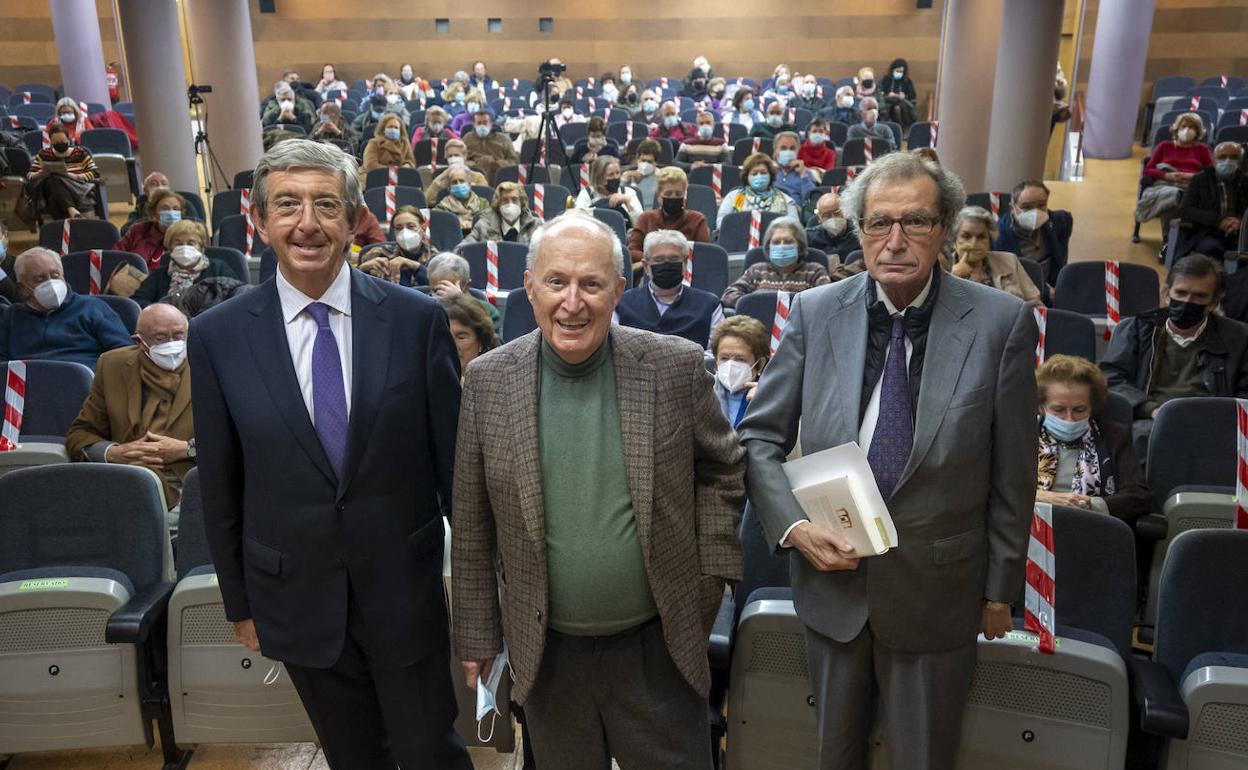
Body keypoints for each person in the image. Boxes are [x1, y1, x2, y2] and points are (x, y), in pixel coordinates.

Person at [739, 151, 1036, 770]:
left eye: (916, 222)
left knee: (924, 757)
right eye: (879, 223)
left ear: (946, 229)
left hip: (940, 590)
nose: (895, 241)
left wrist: (1000, 588)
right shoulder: (817, 314)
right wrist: (793, 527)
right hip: (834, 587)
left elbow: (1012, 470)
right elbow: (759, 439)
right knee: (834, 755)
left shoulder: (1000, 322)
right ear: (858, 229)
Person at [189, 140, 472, 770]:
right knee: (352, 756)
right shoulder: (218, 336)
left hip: (404, 588)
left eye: (325, 204)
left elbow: (455, 472)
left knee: (431, 751)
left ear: (352, 220)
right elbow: (221, 483)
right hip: (294, 595)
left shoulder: (416, 321)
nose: (307, 223)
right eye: (287, 205)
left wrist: (480, 593)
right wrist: (240, 602)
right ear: (259, 222)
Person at [453, 212, 745, 770]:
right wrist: (476, 633)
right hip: (547, 652)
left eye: (590, 284)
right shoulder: (488, 381)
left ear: (618, 290)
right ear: (530, 286)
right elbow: (471, 520)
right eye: (557, 282)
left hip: (659, 647)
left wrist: (710, 578)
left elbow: (724, 470)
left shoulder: (674, 366)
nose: (572, 302)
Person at [1100, 254, 1248, 454]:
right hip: (1149, 419)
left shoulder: (1239, 337)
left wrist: (1218, 417)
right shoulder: (1136, 328)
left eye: (1199, 296)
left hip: (1213, 424)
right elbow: (1111, 378)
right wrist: (1150, 409)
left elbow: (1244, 394)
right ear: (1166, 294)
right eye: (1181, 292)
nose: (1188, 301)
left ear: (1214, 302)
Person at [64, 303, 196, 508]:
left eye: (179, 336)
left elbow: (237, 437)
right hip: (127, 482)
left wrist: (188, 449)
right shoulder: (112, 365)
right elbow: (80, 435)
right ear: (140, 341)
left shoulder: (211, 363)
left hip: (192, 485)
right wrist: (115, 453)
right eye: (160, 338)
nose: (172, 344)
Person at [1034, 355, 1149, 523]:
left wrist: (1086, 505)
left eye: (1079, 410)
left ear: (1092, 406)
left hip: (1092, 529)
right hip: (1029, 532)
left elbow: (1138, 496)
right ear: (1041, 407)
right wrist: (1039, 498)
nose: (1069, 419)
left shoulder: (1113, 436)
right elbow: (999, 490)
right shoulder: (1021, 435)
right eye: (1058, 409)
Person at [0, 247, 131, 370]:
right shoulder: (11, 317)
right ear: (23, 289)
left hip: (87, 388)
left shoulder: (93, 308)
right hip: (26, 389)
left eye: (55, 275)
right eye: (40, 279)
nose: (50, 282)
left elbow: (124, 354)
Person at [616, 229, 724, 348]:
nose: (666, 265)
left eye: (674, 259)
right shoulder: (621, 303)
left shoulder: (710, 305)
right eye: (659, 260)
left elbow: (716, 352)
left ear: (685, 263)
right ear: (646, 266)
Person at [721, 216, 829, 308]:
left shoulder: (815, 271)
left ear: (799, 245)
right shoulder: (757, 270)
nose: (781, 246)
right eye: (776, 242)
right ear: (768, 246)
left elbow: (826, 301)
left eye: (788, 241)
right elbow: (728, 295)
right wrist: (755, 304)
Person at [131, 219, 241, 308]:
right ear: (170, 249)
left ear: (202, 247)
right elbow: (138, 302)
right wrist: (163, 311)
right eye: (178, 243)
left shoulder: (219, 268)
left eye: (191, 243)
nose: (184, 247)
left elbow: (236, 297)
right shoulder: (158, 275)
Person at [949, 206, 1041, 307]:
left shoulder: (1009, 261)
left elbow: (1036, 305)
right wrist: (952, 278)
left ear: (990, 240)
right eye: (966, 236)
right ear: (954, 239)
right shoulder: (942, 268)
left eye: (981, 237)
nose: (973, 243)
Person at [1135, 112, 1212, 233]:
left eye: (1191, 127)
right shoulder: (1165, 146)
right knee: (1174, 196)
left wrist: (1193, 176)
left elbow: (1210, 173)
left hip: (1190, 186)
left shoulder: (1202, 150)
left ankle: (1169, 241)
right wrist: (1166, 175)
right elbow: (1148, 170)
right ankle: (1172, 239)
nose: (1187, 130)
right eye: (1184, 126)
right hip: (1164, 184)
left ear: (1197, 132)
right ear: (1177, 129)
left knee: (1175, 200)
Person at [626, 166, 711, 275]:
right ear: (658, 196)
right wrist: (658, 259)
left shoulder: (697, 219)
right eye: (668, 194)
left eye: (678, 194)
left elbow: (704, 255)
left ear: (685, 195)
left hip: (688, 276)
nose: (673, 197)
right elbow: (632, 252)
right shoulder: (646, 219)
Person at [992, 179, 1074, 288]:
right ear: (1012, 208)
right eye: (1027, 207)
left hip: (1053, 289)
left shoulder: (1059, 222)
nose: (1035, 212)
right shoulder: (998, 236)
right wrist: (1045, 293)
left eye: (1041, 205)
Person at [1174, 142, 1247, 260]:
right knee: (1210, 250)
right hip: (1208, 232)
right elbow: (1185, 210)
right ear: (1214, 160)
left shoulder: (1245, 181)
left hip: (1240, 233)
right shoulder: (1200, 179)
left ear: (1241, 161)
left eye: (1234, 157)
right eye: (1222, 157)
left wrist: (1240, 221)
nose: (1228, 161)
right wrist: (1218, 220)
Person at [26, 124, 99, 220]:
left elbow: (95, 172)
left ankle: (60, 230)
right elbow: (29, 175)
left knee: (53, 197)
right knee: (52, 179)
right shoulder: (44, 154)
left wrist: (76, 176)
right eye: (55, 141)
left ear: (68, 139)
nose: (59, 143)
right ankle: (72, 210)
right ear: (51, 141)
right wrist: (40, 174)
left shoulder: (79, 153)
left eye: (62, 140)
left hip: (76, 186)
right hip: (49, 188)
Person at [709, 315, 769, 428]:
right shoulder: (702, 394)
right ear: (716, 359)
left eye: (740, 359)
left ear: (760, 364)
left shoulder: (772, 397)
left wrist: (765, 401)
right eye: (724, 358)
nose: (731, 365)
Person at [426, 251, 501, 340]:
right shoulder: (425, 308)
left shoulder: (487, 311)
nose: (441, 295)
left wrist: (459, 302)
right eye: (436, 290)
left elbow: (495, 346)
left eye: (448, 287)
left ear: (466, 286)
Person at [716, 152, 799, 228]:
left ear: (770, 175)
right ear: (747, 177)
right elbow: (721, 224)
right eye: (754, 174)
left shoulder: (786, 200)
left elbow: (795, 228)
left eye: (763, 173)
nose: (759, 176)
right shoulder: (733, 197)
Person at [355, 205, 432, 287]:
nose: (404, 232)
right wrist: (363, 269)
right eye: (399, 228)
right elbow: (354, 287)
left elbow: (438, 288)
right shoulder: (377, 253)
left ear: (423, 229)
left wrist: (415, 266)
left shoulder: (434, 258)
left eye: (411, 226)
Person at [115, 188, 190, 270]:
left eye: (175, 209)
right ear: (153, 213)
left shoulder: (190, 233)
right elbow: (115, 258)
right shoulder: (137, 230)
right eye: (165, 208)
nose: (171, 213)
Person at [461, 182, 541, 245]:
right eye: (505, 200)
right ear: (498, 205)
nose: (510, 204)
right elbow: (461, 250)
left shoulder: (536, 226)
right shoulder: (484, 225)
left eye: (514, 199)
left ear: (522, 203)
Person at [574, 156, 643, 225]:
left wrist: (628, 203)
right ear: (598, 177)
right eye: (611, 175)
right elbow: (578, 222)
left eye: (618, 173)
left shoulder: (628, 192)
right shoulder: (587, 194)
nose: (616, 177)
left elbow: (641, 225)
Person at [462, 111, 518, 184]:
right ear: (474, 125)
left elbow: (514, 161)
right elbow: (461, 159)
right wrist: (474, 164)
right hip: (474, 179)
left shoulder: (504, 139)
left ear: (491, 124)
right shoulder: (467, 138)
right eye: (479, 123)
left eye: (485, 123)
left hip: (499, 178)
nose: (482, 126)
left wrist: (496, 163)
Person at [804, 190, 860, 263]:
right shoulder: (809, 237)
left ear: (845, 212)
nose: (833, 218)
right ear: (818, 218)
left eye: (837, 213)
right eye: (827, 216)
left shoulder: (858, 233)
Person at [359, 113, 415, 181]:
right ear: (383, 129)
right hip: (377, 176)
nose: (393, 129)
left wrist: (408, 165)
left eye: (396, 127)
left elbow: (411, 161)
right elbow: (370, 165)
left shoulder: (405, 143)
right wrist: (392, 171)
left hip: (401, 176)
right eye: (390, 127)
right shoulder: (374, 143)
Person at [434, 165, 490, 233]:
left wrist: (472, 223)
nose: (458, 184)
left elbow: (490, 223)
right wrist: (456, 224)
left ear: (469, 184)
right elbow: (438, 226)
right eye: (454, 182)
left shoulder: (483, 203)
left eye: (462, 181)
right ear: (449, 187)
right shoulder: (442, 206)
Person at [773, 131, 820, 202]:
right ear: (776, 151)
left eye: (792, 148)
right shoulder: (770, 171)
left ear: (798, 150)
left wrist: (803, 175)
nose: (788, 152)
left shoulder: (806, 173)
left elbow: (811, 201)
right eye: (783, 148)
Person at [620, 138, 663, 209]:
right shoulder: (628, 176)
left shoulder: (662, 177)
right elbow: (618, 198)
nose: (645, 164)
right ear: (637, 159)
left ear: (656, 162)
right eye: (643, 160)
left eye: (649, 162)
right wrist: (624, 179)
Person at [881, 58, 918, 129]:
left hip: (902, 102)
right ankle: (886, 126)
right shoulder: (886, 79)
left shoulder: (907, 81)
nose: (899, 73)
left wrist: (904, 96)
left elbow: (913, 96)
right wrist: (888, 94)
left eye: (901, 71)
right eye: (897, 71)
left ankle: (905, 127)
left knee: (903, 107)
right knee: (886, 107)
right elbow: (881, 92)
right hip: (889, 101)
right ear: (892, 70)